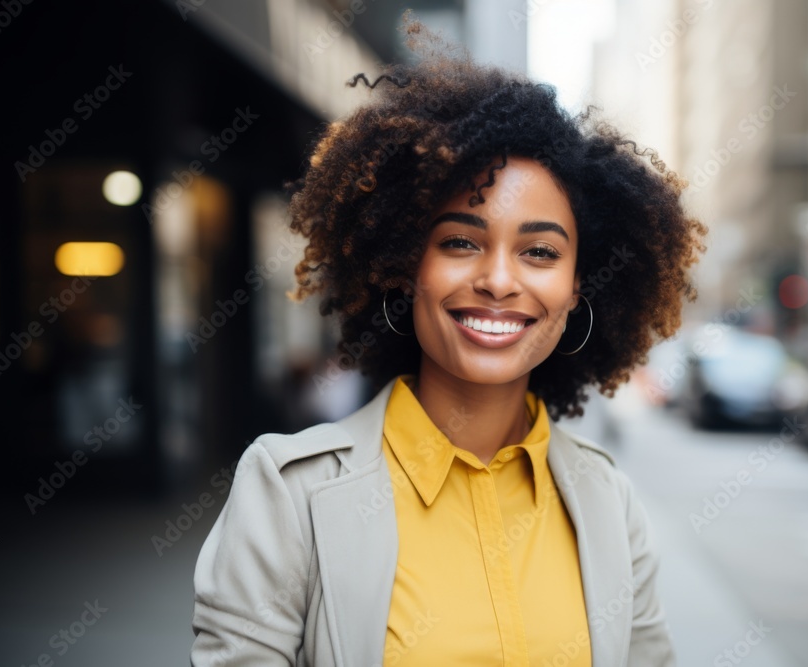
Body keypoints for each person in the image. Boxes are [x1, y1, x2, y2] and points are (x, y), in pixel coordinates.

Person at [190, 13, 706, 667]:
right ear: (407, 266)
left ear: (579, 287)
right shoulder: (289, 492)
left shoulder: (609, 503)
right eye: (460, 241)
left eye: (539, 251)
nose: (497, 279)